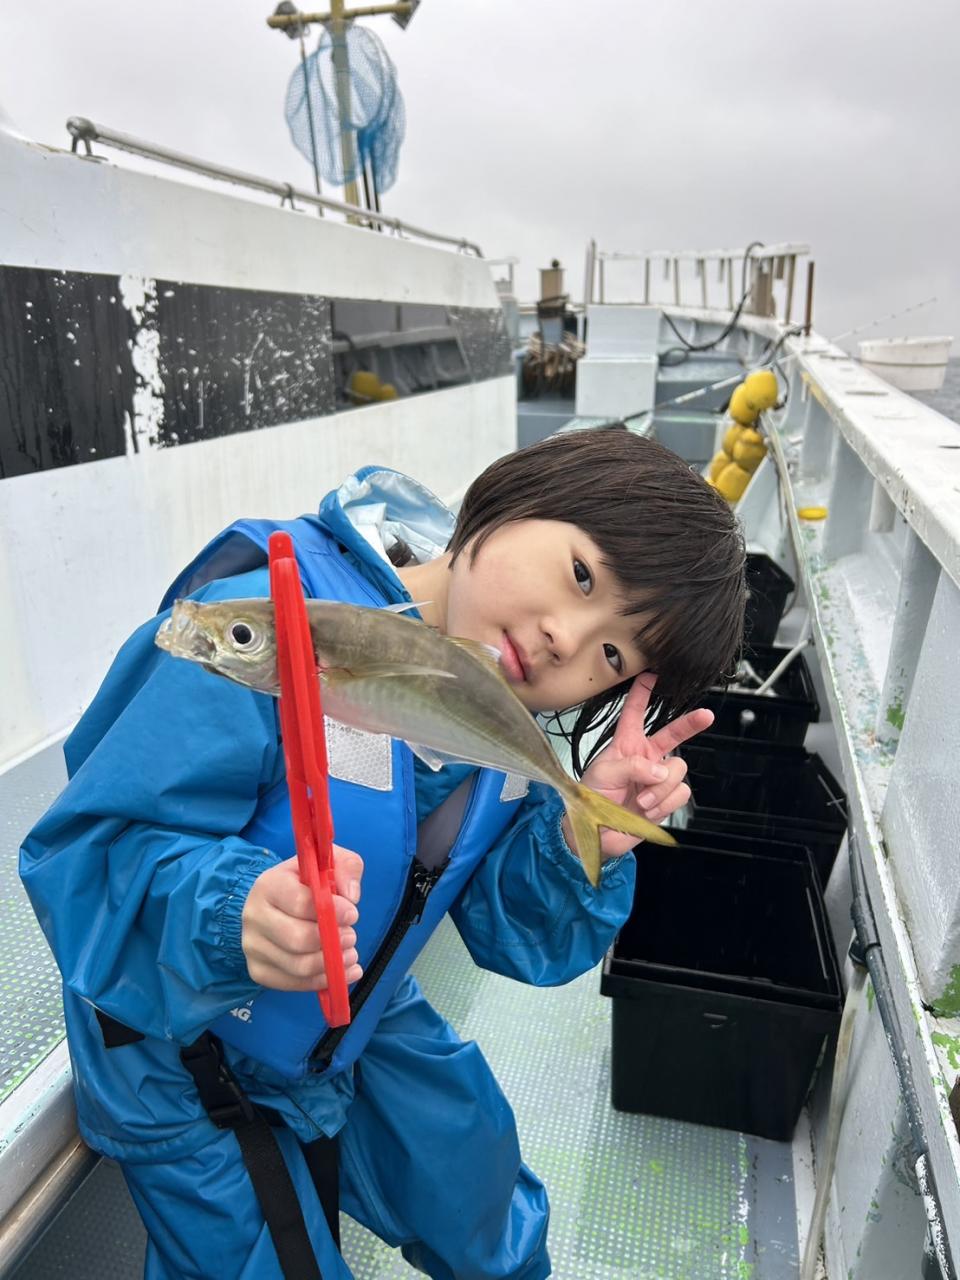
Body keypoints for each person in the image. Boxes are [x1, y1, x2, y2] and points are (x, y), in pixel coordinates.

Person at [20, 426, 745, 1280]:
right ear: (518, 493)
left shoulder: (491, 714)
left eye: (612, 654)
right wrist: (234, 914)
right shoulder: (270, 624)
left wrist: (577, 838)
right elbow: (90, 852)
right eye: (582, 575)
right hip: (175, 1043)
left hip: (357, 1010)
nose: (566, 639)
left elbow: (509, 933)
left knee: (483, 1199)